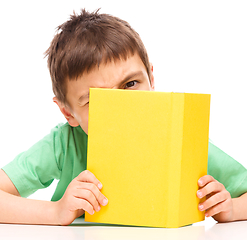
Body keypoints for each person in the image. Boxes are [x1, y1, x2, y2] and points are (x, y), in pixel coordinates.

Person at [0, 9, 247, 226]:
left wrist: (232, 208)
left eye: (130, 83)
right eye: (96, 99)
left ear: (151, 79)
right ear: (68, 112)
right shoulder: (64, 144)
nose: (122, 105)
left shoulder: (179, 140)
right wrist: (55, 211)